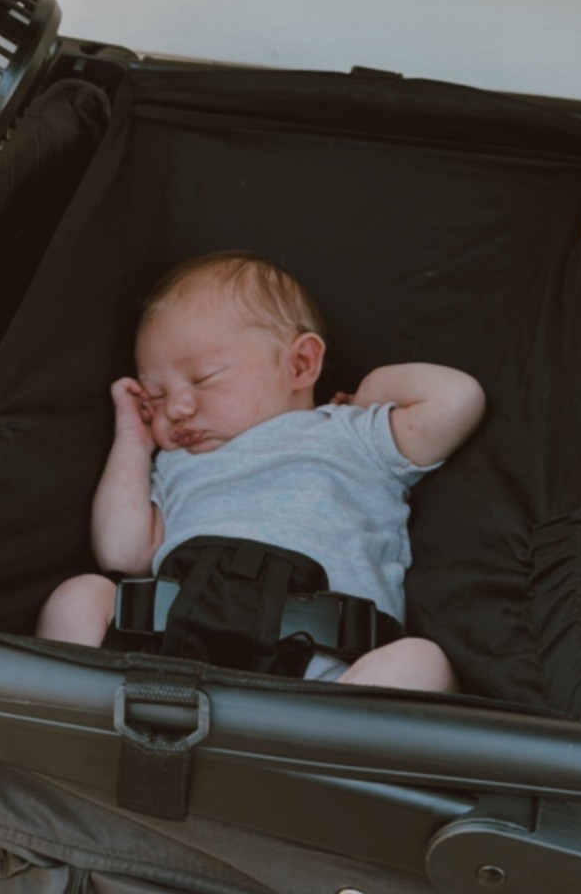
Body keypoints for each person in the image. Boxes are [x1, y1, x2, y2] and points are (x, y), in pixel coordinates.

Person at [36, 251, 485, 690]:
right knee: (79, 597)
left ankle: (313, 754)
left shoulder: (353, 433)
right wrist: (133, 440)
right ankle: (81, 733)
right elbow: (121, 553)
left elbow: (457, 399)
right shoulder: (176, 464)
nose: (176, 407)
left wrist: (371, 392)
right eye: (154, 396)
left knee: (422, 663)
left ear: (301, 364)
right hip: (170, 663)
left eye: (203, 378)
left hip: (325, 676)